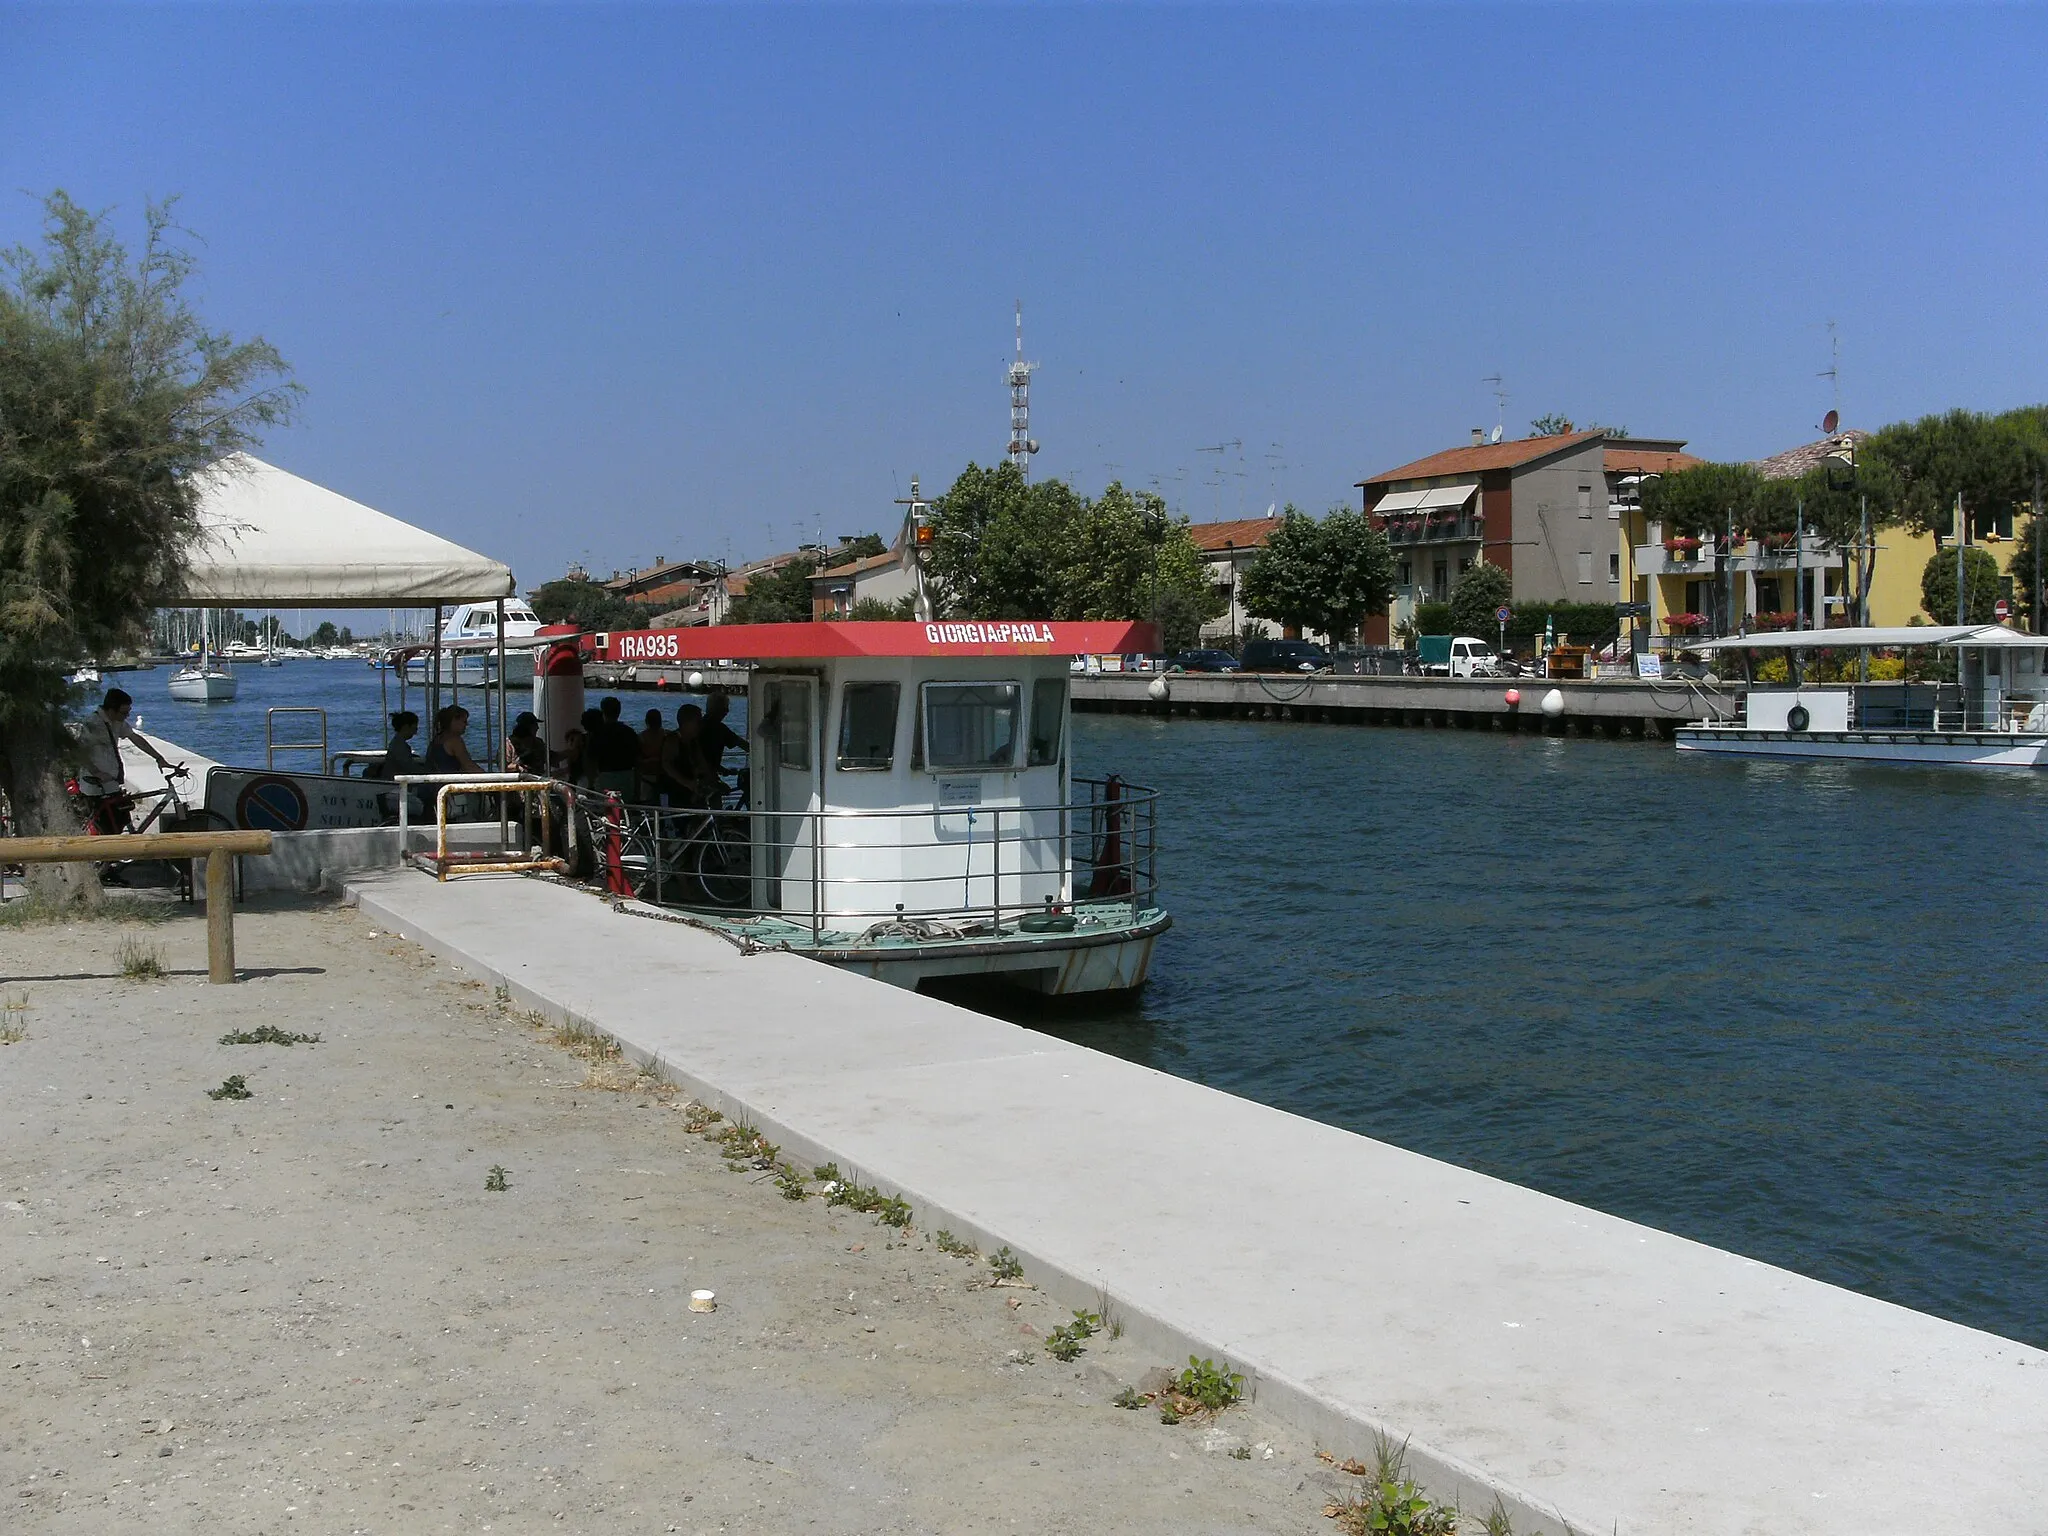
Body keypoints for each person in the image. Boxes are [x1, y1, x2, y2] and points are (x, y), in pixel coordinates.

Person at [75, 688, 180, 833]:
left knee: (122, 822)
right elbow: (80, 752)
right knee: (108, 831)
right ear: (111, 710)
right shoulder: (93, 724)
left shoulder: (117, 722)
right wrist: (97, 772)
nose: (127, 715)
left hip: (111, 783)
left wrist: (159, 758)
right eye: (124, 712)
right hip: (97, 786)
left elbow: (136, 738)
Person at [699, 693, 747, 804]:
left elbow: (706, 758)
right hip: (705, 779)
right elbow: (741, 744)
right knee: (716, 805)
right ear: (717, 709)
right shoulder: (720, 729)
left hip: (699, 776)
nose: (727, 712)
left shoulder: (700, 725)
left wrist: (724, 770)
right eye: (725, 708)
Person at [590, 696, 640, 799]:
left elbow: (591, 760)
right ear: (619, 712)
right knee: (625, 809)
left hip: (605, 776)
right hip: (626, 776)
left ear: (603, 711)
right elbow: (638, 761)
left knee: (605, 809)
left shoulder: (597, 734)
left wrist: (591, 782)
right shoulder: (629, 733)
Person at [424, 705, 481, 776]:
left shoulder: (437, 739)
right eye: (464, 721)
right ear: (454, 720)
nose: (466, 724)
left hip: (433, 784)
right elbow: (469, 766)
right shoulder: (455, 741)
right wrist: (491, 778)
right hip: (447, 784)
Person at [637, 708, 669, 802]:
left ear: (646, 721)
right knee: (664, 804)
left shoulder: (641, 738)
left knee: (646, 804)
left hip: (648, 776)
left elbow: (637, 761)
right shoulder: (667, 736)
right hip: (663, 776)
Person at [506, 711, 546, 776]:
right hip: (517, 783)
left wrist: (567, 752)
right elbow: (504, 766)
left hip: (538, 781)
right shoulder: (509, 744)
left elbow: (551, 757)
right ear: (526, 727)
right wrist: (518, 767)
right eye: (535, 725)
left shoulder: (538, 743)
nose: (537, 728)